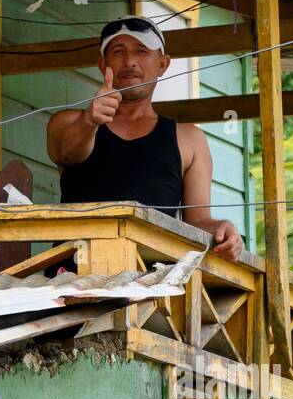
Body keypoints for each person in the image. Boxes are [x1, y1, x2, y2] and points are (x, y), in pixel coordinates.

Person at [46, 15, 244, 262]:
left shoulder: (189, 139)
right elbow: (68, 153)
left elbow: (197, 221)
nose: (129, 61)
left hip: (151, 288)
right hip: (71, 281)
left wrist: (223, 229)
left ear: (163, 64)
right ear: (102, 65)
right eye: (118, 52)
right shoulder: (68, 122)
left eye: (141, 51)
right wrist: (90, 120)